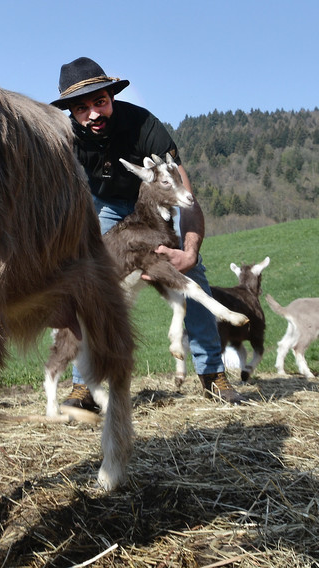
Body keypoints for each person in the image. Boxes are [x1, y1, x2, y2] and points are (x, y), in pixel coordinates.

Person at [51, 56, 245, 407]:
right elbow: (60, 204)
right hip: (105, 207)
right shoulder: (65, 142)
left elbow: (186, 196)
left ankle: (213, 374)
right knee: (92, 285)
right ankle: (84, 385)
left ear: (111, 96)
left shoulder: (144, 126)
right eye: (82, 108)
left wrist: (190, 251)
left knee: (192, 274)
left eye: (100, 101)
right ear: (70, 112)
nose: (94, 113)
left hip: (155, 206)